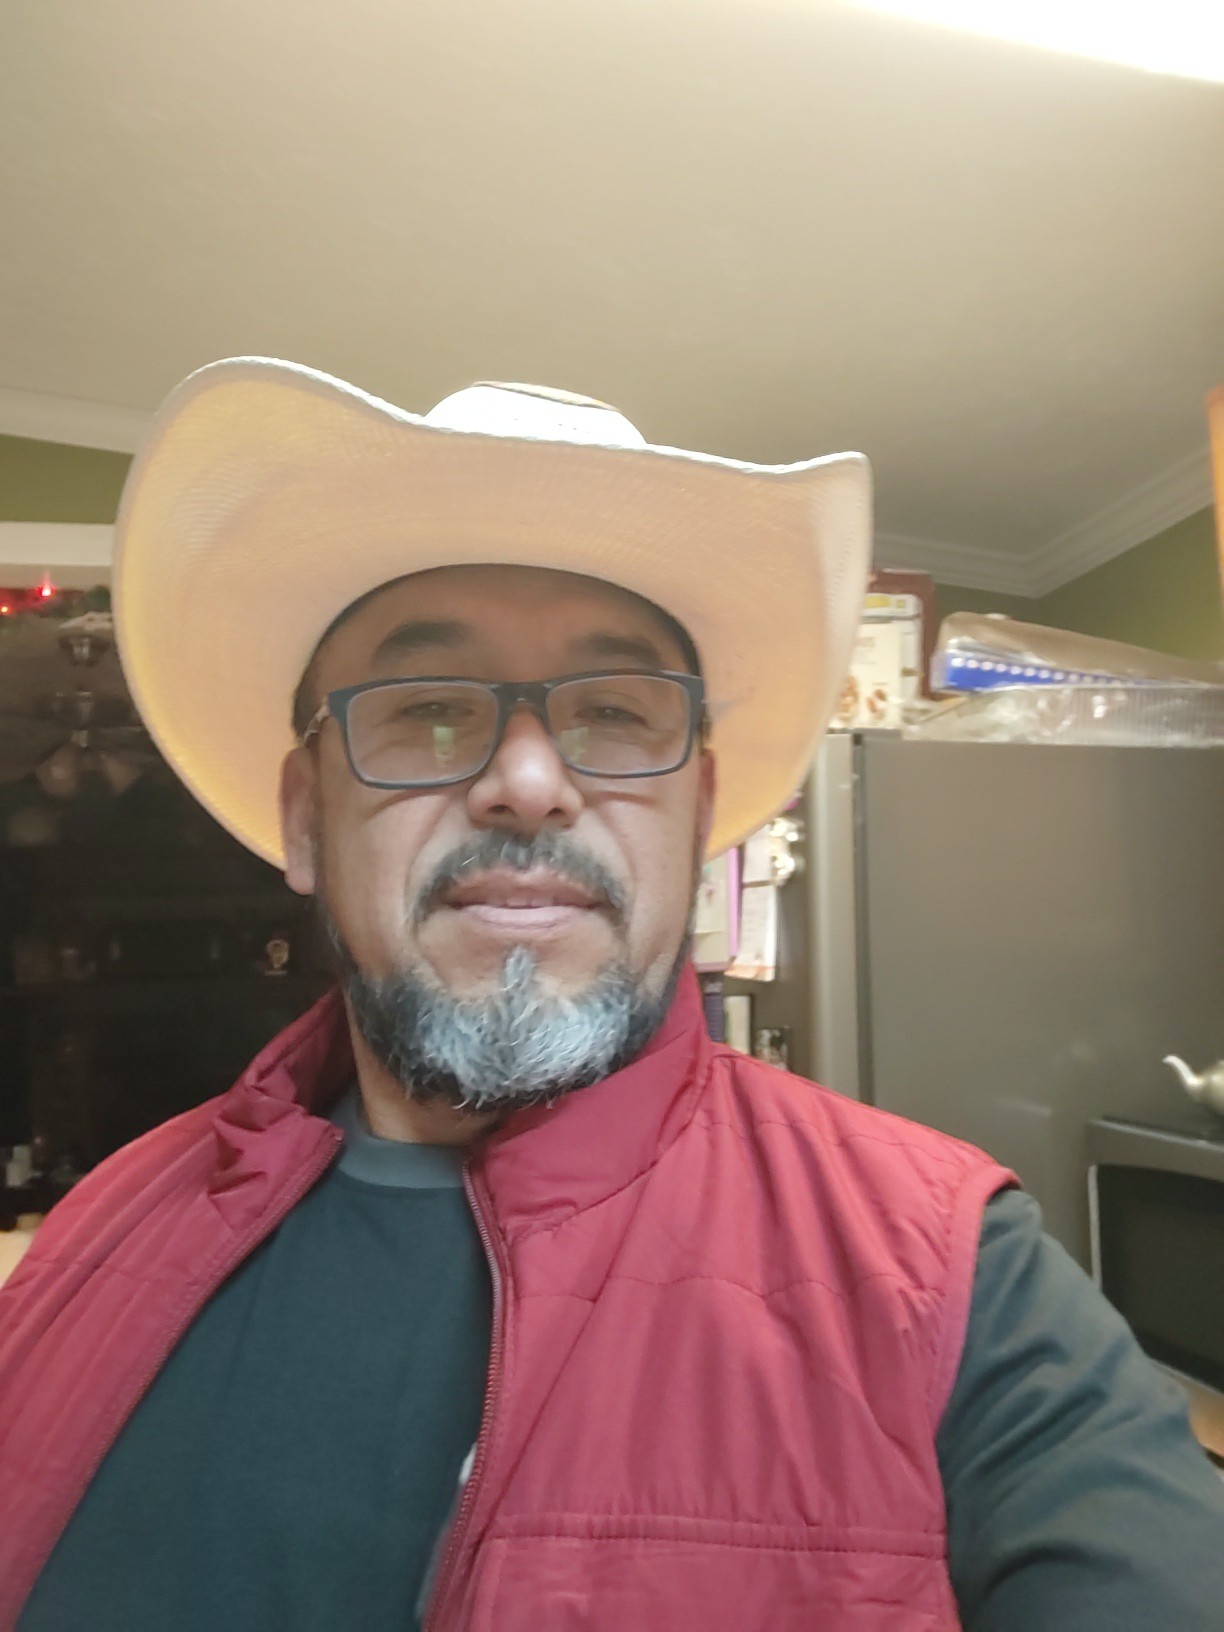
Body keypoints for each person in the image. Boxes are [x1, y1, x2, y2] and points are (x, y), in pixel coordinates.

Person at [1, 361, 1221, 1632]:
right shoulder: (99, 1231)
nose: (529, 783)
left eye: (616, 714)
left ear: (700, 816)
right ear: (307, 819)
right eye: (429, 712)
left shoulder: (948, 1275)